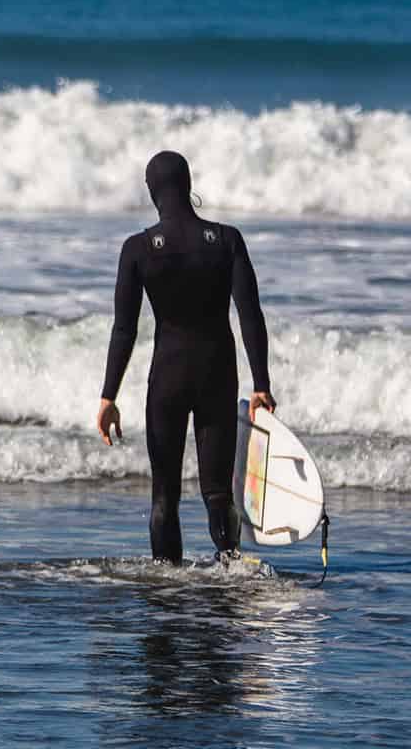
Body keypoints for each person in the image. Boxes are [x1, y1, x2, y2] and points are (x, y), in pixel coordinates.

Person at [96, 150, 276, 565]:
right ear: (189, 185)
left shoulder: (137, 249)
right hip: (218, 374)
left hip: (168, 378)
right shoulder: (227, 239)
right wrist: (261, 384)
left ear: (152, 191)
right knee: (216, 490)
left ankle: (166, 588)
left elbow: (125, 329)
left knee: (165, 493)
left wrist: (109, 396)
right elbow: (250, 314)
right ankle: (229, 570)